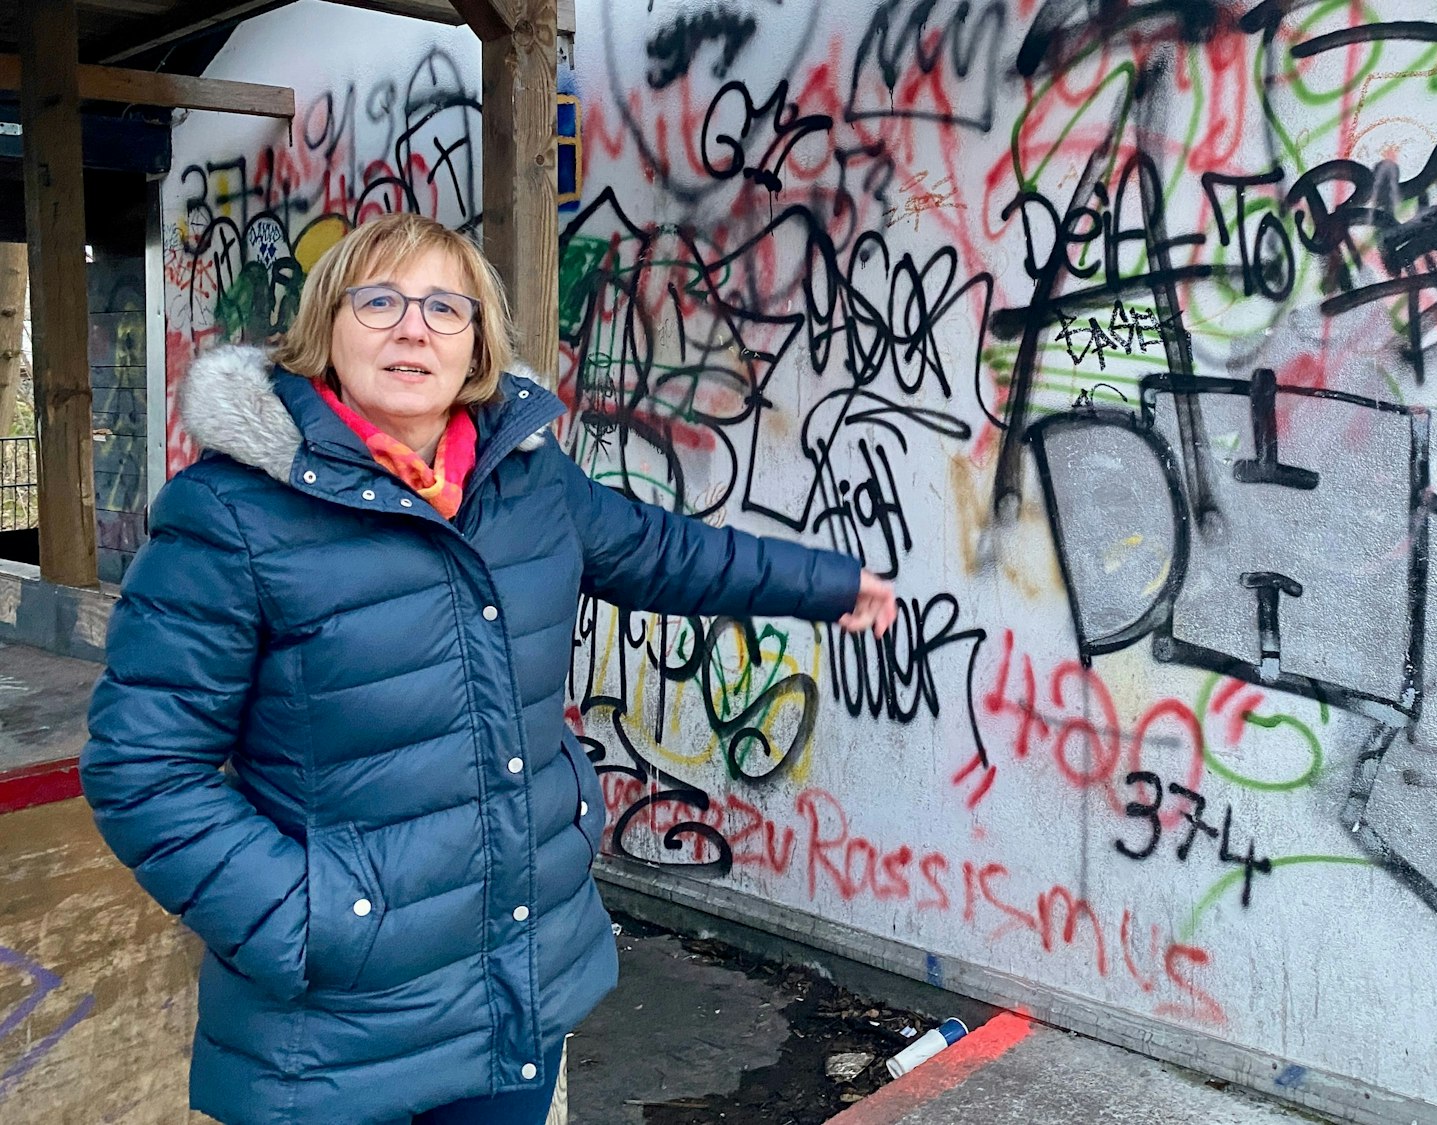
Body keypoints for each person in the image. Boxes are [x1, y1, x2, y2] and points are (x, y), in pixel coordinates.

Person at [79, 213, 895, 1125]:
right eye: (379, 299)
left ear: (476, 346)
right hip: (338, 1025)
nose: (411, 326)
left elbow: (669, 554)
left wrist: (825, 583)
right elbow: (144, 770)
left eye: (443, 306)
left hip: (516, 977)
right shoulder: (231, 513)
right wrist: (303, 919)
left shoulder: (527, 482)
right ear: (324, 330)